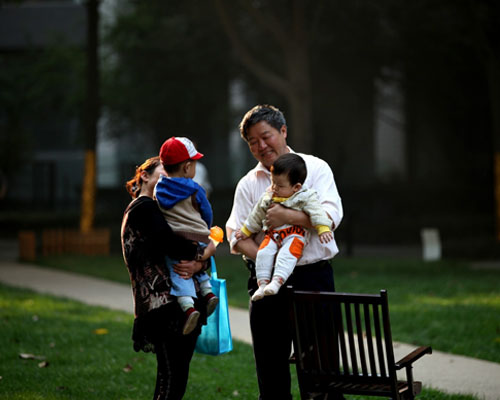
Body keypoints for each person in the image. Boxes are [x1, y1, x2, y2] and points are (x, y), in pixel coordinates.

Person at [226, 104, 344, 399]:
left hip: (313, 279)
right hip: (266, 285)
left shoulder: (315, 168)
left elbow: (330, 217)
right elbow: (236, 236)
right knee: (271, 373)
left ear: (283, 131)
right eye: (252, 142)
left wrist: (288, 217)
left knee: (321, 373)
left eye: (265, 136)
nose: (261, 146)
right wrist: (269, 261)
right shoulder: (248, 184)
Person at [121, 156, 215, 400]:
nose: (172, 178)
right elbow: (173, 245)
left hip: (174, 306)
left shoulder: (161, 209)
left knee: (171, 379)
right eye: (166, 171)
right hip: (166, 308)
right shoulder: (144, 208)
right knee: (172, 381)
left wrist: (200, 261)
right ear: (144, 176)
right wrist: (205, 253)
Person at [235, 153, 333, 301]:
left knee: (286, 256)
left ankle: (276, 282)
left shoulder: (305, 196)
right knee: (263, 253)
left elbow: (317, 213)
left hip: (294, 235)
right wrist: (245, 231)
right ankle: (262, 284)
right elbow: (256, 215)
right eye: (273, 182)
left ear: (296, 187)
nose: (274, 188)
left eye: (279, 186)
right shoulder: (269, 196)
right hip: (273, 235)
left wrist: (323, 228)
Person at [154, 136, 219, 336]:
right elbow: (206, 211)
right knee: (195, 262)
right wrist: (205, 227)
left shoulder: (159, 188)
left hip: (175, 237)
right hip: (198, 235)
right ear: (187, 167)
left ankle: (188, 307)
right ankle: (208, 293)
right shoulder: (195, 188)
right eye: (195, 163)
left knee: (178, 269)